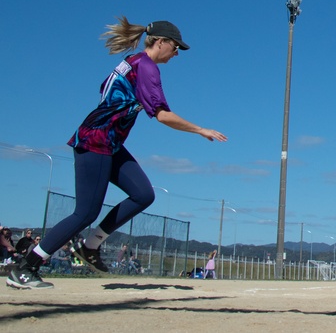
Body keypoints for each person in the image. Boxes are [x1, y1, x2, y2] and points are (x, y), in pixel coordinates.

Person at [6, 18, 228, 290]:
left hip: (108, 144)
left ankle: (91, 246)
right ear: (160, 42)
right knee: (85, 213)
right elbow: (161, 115)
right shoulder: (146, 67)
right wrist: (200, 129)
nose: (177, 53)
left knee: (144, 194)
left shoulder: (132, 62)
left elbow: (105, 90)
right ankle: (25, 266)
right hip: (95, 142)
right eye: (175, 46)